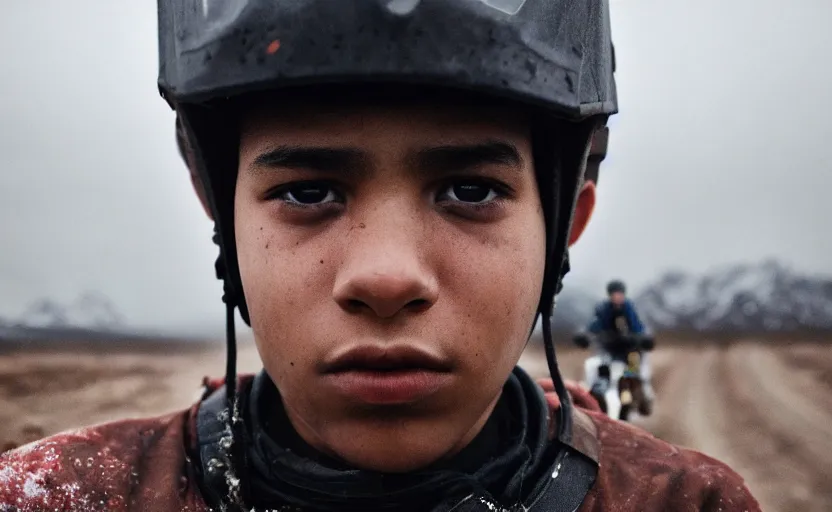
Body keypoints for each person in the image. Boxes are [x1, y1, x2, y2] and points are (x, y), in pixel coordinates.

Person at [0, 1, 760, 510]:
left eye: (468, 189)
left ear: (562, 226)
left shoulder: (684, 503)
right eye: (307, 193)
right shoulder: (57, 496)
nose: (387, 276)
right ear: (220, 215)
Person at [578, 280, 656, 412]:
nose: (617, 297)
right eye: (614, 294)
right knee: (598, 371)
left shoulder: (629, 309)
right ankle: (594, 397)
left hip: (630, 351)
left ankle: (642, 396)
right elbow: (593, 326)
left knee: (635, 373)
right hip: (609, 350)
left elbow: (639, 327)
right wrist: (584, 336)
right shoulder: (604, 309)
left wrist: (643, 339)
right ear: (609, 295)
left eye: (619, 294)